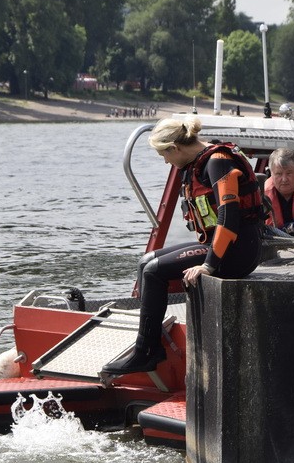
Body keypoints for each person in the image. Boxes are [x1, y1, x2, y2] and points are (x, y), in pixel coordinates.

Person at [101, 117, 264, 375]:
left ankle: (147, 353)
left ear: (174, 148)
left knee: (155, 270)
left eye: (164, 156)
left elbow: (229, 218)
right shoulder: (198, 162)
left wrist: (208, 265)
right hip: (221, 245)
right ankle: (146, 341)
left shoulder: (218, 162)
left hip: (238, 252)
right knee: (146, 262)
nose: (166, 161)